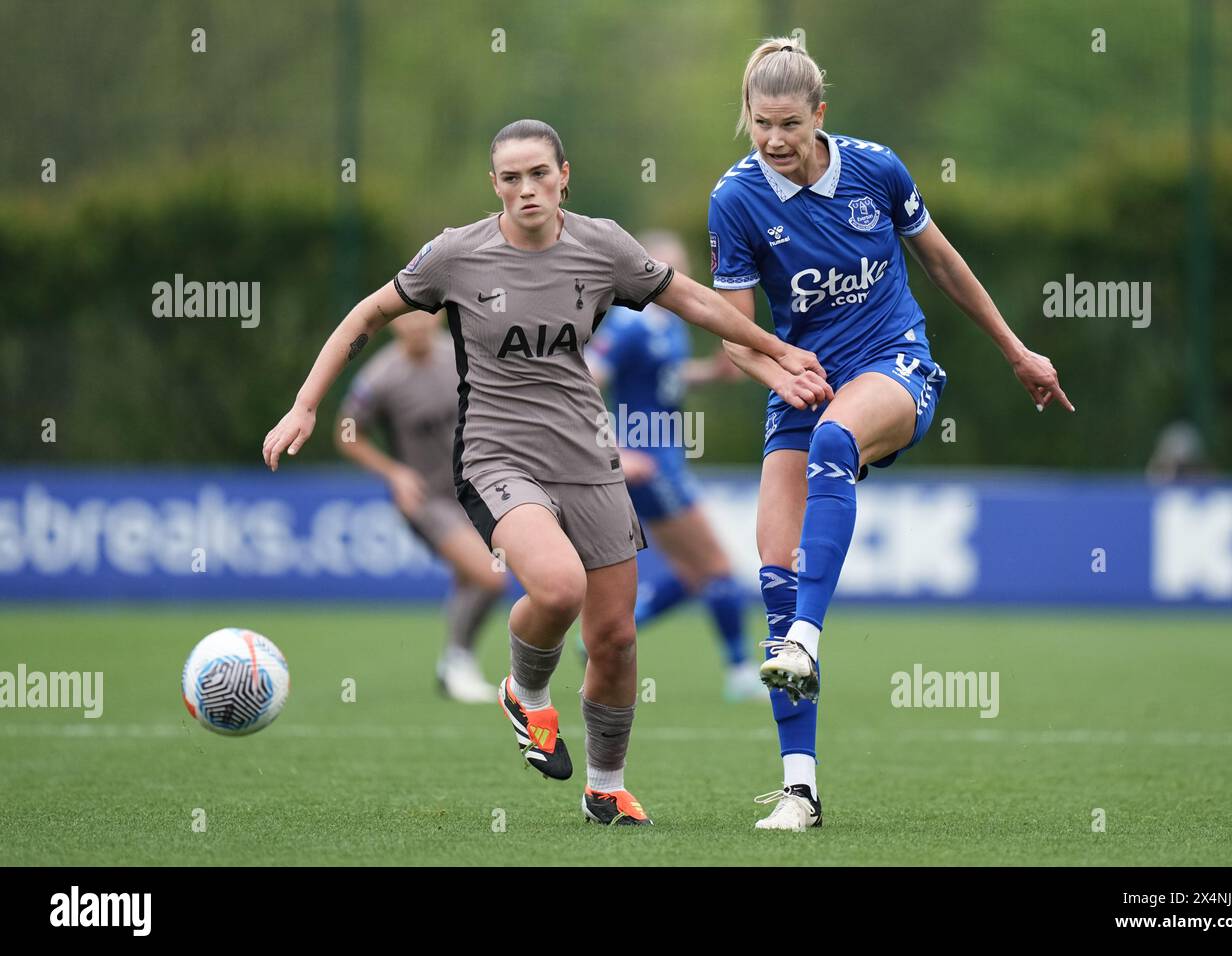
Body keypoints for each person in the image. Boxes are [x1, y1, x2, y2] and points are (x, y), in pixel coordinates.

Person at [263, 118, 827, 826]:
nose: (526, 188)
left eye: (538, 174)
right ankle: (526, 694)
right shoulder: (455, 255)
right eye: (510, 177)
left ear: (565, 175)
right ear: (494, 184)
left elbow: (696, 301)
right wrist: (305, 406)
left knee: (615, 639)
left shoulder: (603, 245)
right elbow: (364, 317)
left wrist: (775, 350)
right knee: (556, 588)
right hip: (497, 455)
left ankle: (606, 787)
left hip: (589, 457)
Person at [709, 39, 1074, 830]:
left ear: (820, 116)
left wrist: (1017, 352)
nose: (774, 140)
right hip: (799, 385)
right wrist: (781, 377)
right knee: (774, 578)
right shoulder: (734, 200)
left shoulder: (877, 169)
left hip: (892, 363)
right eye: (761, 123)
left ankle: (810, 635)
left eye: (790, 125)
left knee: (836, 445)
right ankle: (800, 790)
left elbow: (941, 263)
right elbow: (735, 336)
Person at [587, 230, 767, 702]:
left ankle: (603, 639)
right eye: (658, 265)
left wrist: (708, 373)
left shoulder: (668, 325)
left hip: (662, 460)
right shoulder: (627, 325)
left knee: (692, 575)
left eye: (674, 266)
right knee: (717, 565)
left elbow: (660, 378)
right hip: (649, 464)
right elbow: (584, 384)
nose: (667, 276)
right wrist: (615, 451)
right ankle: (741, 670)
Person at [335, 309, 504, 703]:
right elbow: (346, 434)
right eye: (406, 317)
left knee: (471, 578)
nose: (415, 324)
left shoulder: (462, 356)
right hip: (427, 500)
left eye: (424, 315)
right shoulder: (379, 378)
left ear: (440, 317)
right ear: (394, 323)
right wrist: (394, 473)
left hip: (475, 490)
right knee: (490, 576)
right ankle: (456, 661)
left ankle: (455, 666)